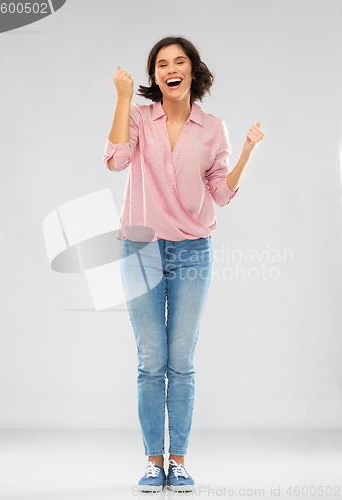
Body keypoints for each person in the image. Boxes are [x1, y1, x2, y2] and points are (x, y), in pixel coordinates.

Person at [103, 36, 264, 493]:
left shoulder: (213, 128)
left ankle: (179, 462)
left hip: (193, 249)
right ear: (154, 77)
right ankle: (153, 462)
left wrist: (248, 152)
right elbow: (115, 161)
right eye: (161, 65)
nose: (170, 70)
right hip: (139, 248)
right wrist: (120, 97)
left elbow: (222, 194)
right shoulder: (137, 117)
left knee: (182, 361)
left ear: (193, 70)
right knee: (151, 360)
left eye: (179, 62)